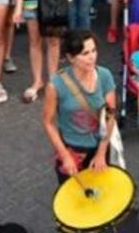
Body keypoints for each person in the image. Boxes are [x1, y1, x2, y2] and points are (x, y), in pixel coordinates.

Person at [42, 30, 117, 184]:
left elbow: (110, 115)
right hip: (72, 149)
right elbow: (48, 123)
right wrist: (64, 155)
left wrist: (102, 152)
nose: (92, 57)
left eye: (94, 51)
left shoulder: (104, 76)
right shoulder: (56, 84)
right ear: (70, 57)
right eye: (85, 53)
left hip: (99, 147)